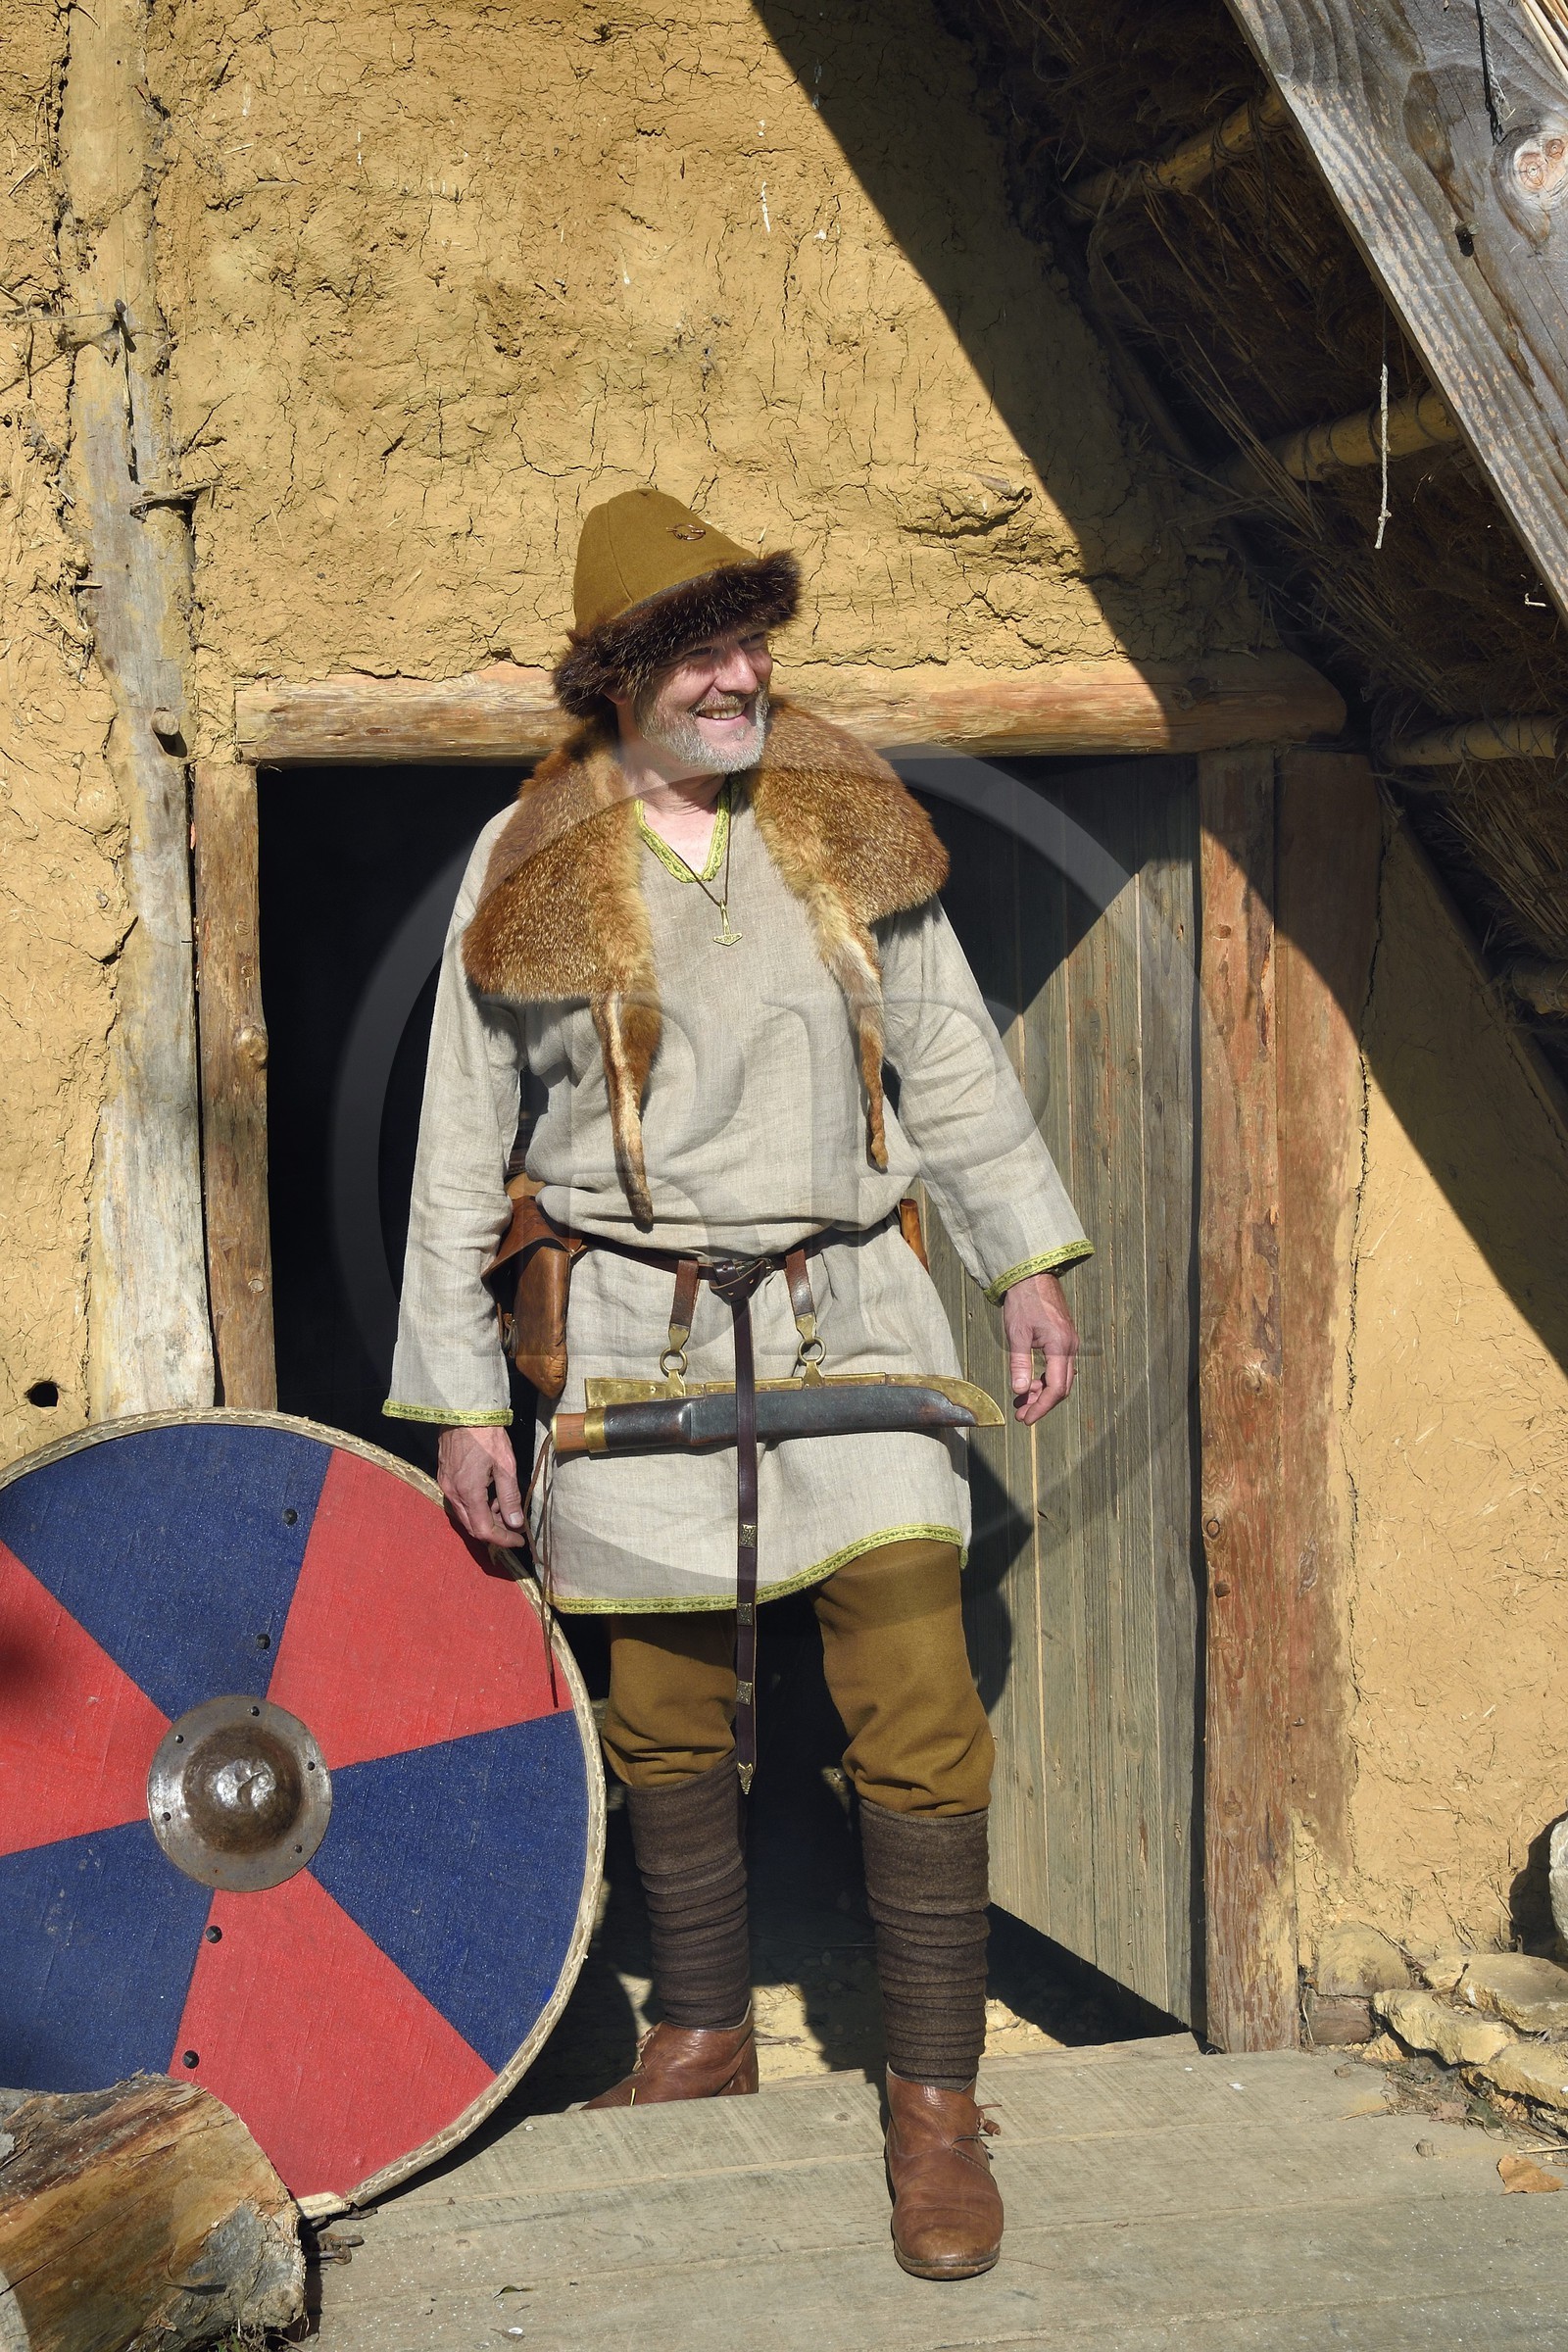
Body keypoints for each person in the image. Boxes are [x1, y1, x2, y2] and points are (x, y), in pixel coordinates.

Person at [387, 487, 1090, 2280]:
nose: (739, 676)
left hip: (855, 1310)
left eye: (751, 640)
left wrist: (1025, 1263)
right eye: (698, 651)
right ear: (620, 675)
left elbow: (948, 1055)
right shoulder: (529, 859)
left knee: (918, 1696)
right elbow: (460, 1143)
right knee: (664, 1714)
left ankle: (935, 2107)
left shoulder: (842, 816)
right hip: (636, 1337)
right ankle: (703, 2032)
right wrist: (462, 1398)